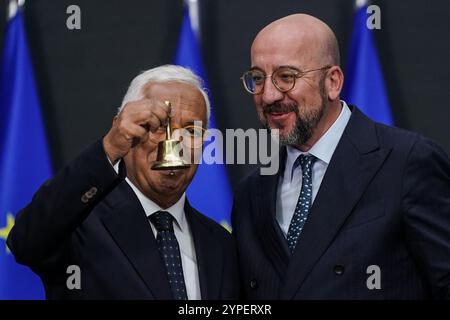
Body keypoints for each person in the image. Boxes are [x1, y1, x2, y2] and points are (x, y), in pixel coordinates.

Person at [232, 13, 450, 299]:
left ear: (332, 82)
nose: (269, 95)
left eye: (286, 77)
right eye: (258, 79)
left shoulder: (406, 162)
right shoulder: (251, 193)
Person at [7, 65, 239, 300]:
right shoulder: (80, 225)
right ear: (125, 130)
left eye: (191, 130)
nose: (176, 143)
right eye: (159, 126)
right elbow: (25, 241)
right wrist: (108, 147)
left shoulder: (222, 245)